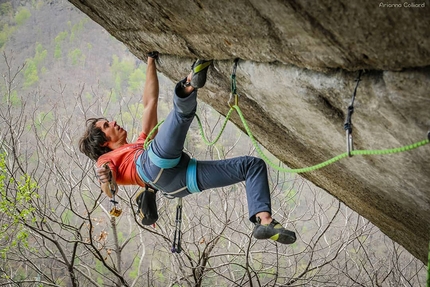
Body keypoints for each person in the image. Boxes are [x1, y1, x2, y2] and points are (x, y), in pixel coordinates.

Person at [79, 52, 296, 245]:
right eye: (107, 126)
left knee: (252, 165)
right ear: (103, 143)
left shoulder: (140, 142)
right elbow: (109, 189)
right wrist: (107, 180)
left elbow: (150, 102)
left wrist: (150, 61)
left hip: (180, 182)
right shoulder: (106, 160)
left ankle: (264, 221)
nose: (113, 122)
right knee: (181, 116)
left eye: (108, 121)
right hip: (152, 165)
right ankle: (189, 84)